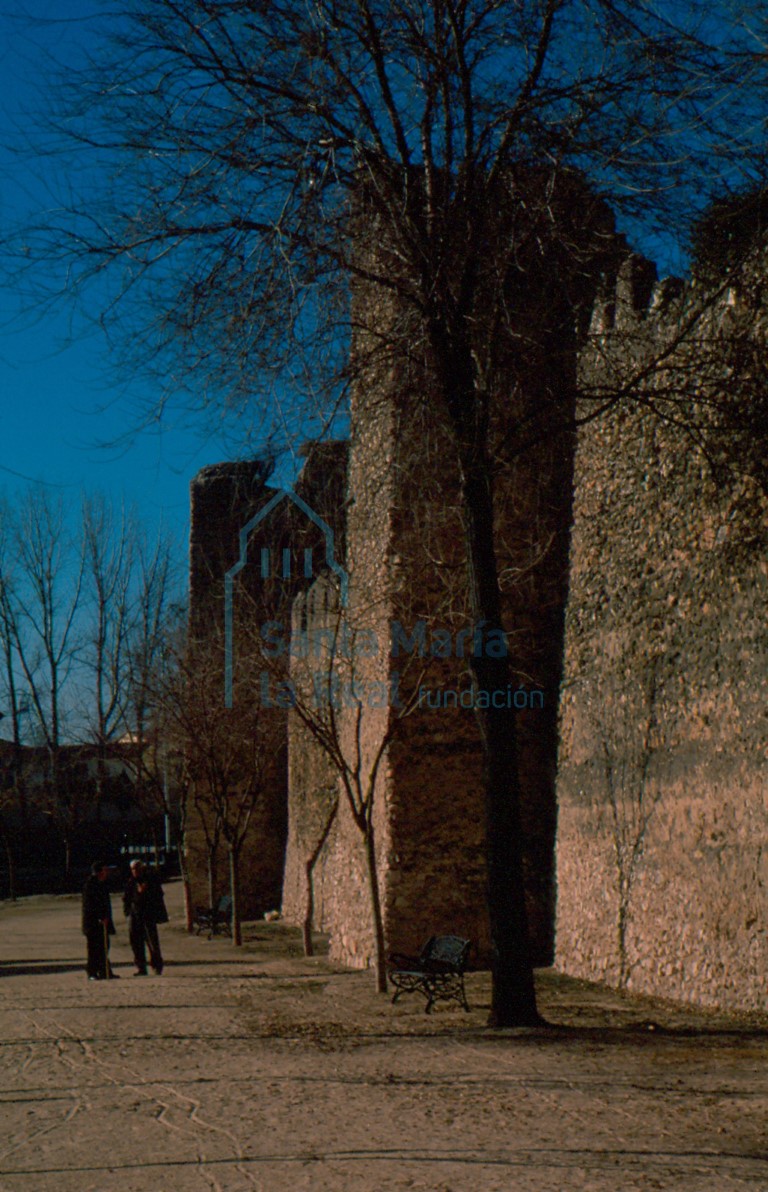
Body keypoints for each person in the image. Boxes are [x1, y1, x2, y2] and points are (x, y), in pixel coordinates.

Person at [123, 859, 167, 975]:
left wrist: (145, 893)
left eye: (137, 868)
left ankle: (157, 965)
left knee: (152, 942)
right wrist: (127, 911)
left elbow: (158, 895)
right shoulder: (131, 882)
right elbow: (126, 898)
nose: (135, 871)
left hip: (148, 914)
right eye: (133, 869)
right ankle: (141, 967)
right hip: (135, 915)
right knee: (136, 942)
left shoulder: (150, 880)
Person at [82, 861, 117, 980]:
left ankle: (104, 971)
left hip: (104, 922)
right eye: (105, 870)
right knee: (93, 949)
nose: (106, 872)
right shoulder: (90, 885)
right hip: (93, 924)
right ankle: (91, 972)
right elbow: (90, 906)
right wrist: (99, 918)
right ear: (99, 872)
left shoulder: (103, 884)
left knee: (104, 947)